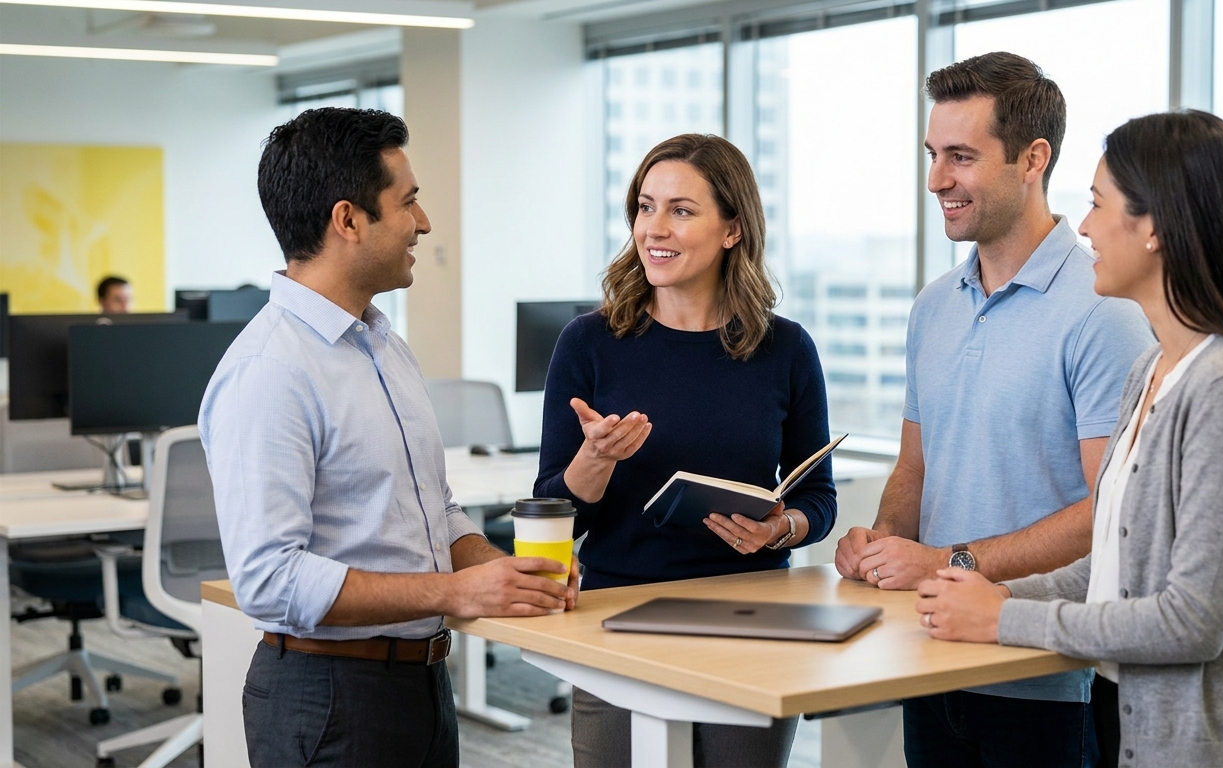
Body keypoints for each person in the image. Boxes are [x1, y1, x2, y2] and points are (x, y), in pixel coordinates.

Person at [912, 110, 1223, 768]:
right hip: (1148, 735)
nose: (1082, 226)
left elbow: (1190, 621)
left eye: (1096, 203)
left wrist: (1001, 619)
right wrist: (981, 590)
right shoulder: (1153, 370)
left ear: (1155, 229)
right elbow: (1113, 570)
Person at [199, 107, 577, 768]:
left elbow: (435, 510)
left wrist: (494, 569)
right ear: (348, 220)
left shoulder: (382, 345)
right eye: (408, 203)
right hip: (329, 698)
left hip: (420, 684)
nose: (424, 224)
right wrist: (454, 594)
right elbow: (269, 579)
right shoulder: (270, 370)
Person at [832, 52, 1154, 767]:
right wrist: (882, 544)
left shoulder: (1105, 310)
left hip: (1042, 673)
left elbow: (1112, 511)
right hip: (931, 651)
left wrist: (945, 562)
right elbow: (917, 465)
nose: (935, 180)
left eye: (960, 157)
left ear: (1032, 158)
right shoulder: (932, 307)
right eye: (931, 155)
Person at [535, 133, 837, 768]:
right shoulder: (588, 343)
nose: (654, 228)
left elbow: (819, 498)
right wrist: (596, 459)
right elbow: (554, 513)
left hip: (750, 617)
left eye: (680, 209)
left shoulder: (786, 349)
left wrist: (781, 528)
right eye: (646, 207)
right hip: (617, 616)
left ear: (732, 229)